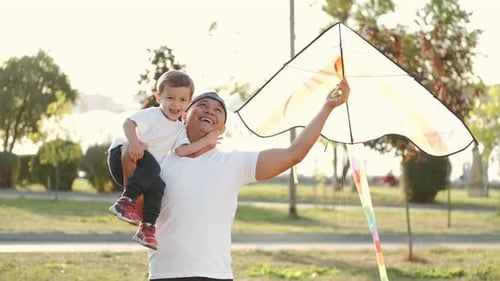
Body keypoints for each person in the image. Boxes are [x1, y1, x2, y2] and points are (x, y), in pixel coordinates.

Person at [148, 79, 350, 280]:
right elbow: (139, 210)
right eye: (202, 105)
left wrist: (327, 107)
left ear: (222, 129)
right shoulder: (159, 161)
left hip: (215, 274)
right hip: (164, 274)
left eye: (218, 110)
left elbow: (293, 154)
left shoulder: (233, 163)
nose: (210, 111)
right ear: (184, 116)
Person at [107, 70, 218, 250]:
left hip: (144, 172)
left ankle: (147, 228)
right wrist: (134, 142)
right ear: (159, 97)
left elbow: (182, 151)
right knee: (153, 167)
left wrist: (207, 141)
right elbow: (128, 123)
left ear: (189, 103)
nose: (176, 104)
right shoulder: (152, 115)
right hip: (122, 155)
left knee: (159, 186)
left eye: (182, 100)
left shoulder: (179, 129)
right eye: (170, 98)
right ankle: (125, 202)